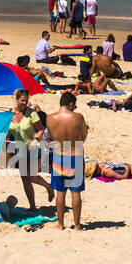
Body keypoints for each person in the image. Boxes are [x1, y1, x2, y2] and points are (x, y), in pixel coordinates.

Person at [46, 92, 88, 230]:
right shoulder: (78, 118)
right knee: (75, 192)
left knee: (60, 192)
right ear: (70, 103)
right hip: (75, 156)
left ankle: (60, 224)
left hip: (59, 156)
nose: (75, 107)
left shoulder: (50, 118)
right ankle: (76, 225)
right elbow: (82, 138)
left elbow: (52, 138)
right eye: (74, 105)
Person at [6, 88, 49, 209]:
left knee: (32, 176)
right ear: (16, 100)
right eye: (22, 101)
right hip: (20, 149)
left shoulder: (32, 114)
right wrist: (5, 139)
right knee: (25, 179)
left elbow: (41, 129)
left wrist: (35, 140)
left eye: (26, 100)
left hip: (35, 147)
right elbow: (9, 130)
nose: (24, 103)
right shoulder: (11, 114)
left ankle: (48, 187)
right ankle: (33, 206)